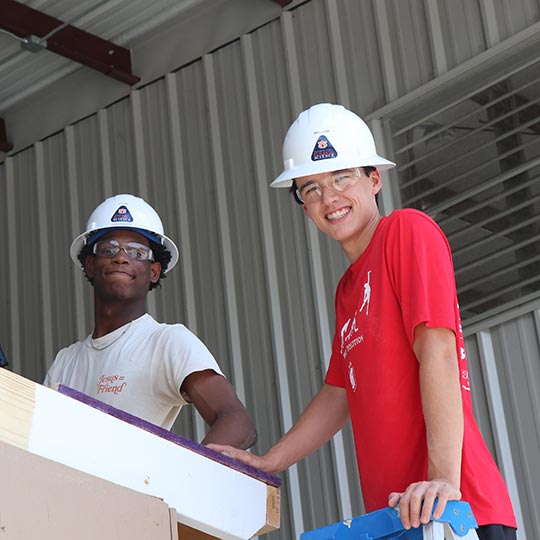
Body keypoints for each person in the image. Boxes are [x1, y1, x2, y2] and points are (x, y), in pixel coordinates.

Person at [208, 104, 517, 539]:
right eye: (310, 188)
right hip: (398, 518)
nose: (328, 198)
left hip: (455, 513)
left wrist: (445, 482)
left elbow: (439, 351)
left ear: (375, 179)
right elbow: (339, 394)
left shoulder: (407, 232)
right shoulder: (349, 289)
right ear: (303, 207)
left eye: (341, 177)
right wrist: (270, 462)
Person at [44, 194, 257, 449]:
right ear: (90, 265)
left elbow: (237, 422)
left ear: (154, 271)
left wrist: (182, 478)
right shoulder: (65, 362)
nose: (121, 257)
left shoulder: (166, 342)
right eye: (108, 249)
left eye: (137, 252)